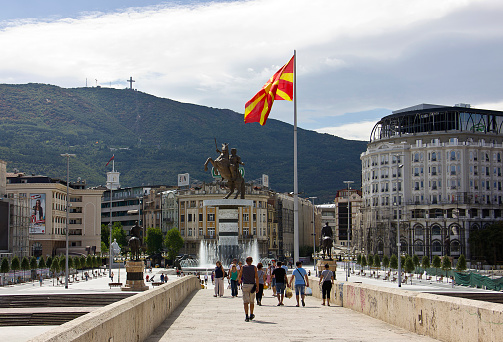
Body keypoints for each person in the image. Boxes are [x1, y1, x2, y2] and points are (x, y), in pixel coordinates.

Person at [238, 256, 259, 322]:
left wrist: (239, 281)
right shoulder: (254, 267)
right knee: (252, 301)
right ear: (252, 261)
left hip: (245, 285)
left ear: (246, 261)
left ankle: (246, 315)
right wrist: (257, 286)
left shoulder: (243, 267)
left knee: (245, 301)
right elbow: (256, 277)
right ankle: (251, 314)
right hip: (252, 285)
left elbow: (240, 276)